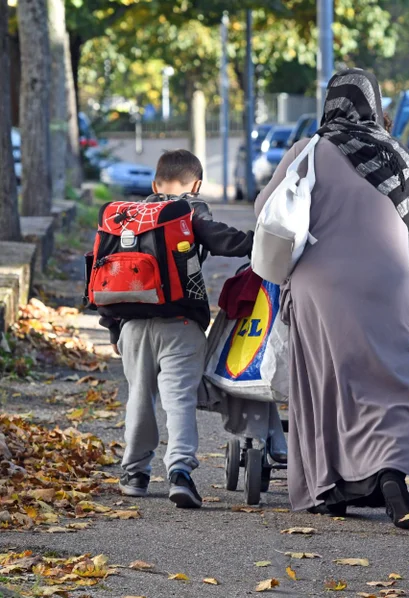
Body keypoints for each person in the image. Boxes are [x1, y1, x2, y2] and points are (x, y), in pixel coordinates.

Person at [253, 69, 409, 526]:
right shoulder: (397, 156)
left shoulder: (310, 151)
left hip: (322, 287)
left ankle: (331, 486)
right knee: (393, 380)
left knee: (328, 382)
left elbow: (266, 210)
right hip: (389, 283)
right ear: (374, 107)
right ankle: (394, 474)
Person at [100, 149, 254, 508]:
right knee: (179, 400)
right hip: (182, 325)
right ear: (197, 185)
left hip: (133, 324)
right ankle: (180, 473)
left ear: (154, 184)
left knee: (140, 398)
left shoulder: (126, 218)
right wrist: (263, 241)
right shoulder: (190, 210)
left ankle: (135, 474)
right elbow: (224, 240)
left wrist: (113, 330)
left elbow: (106, 273)